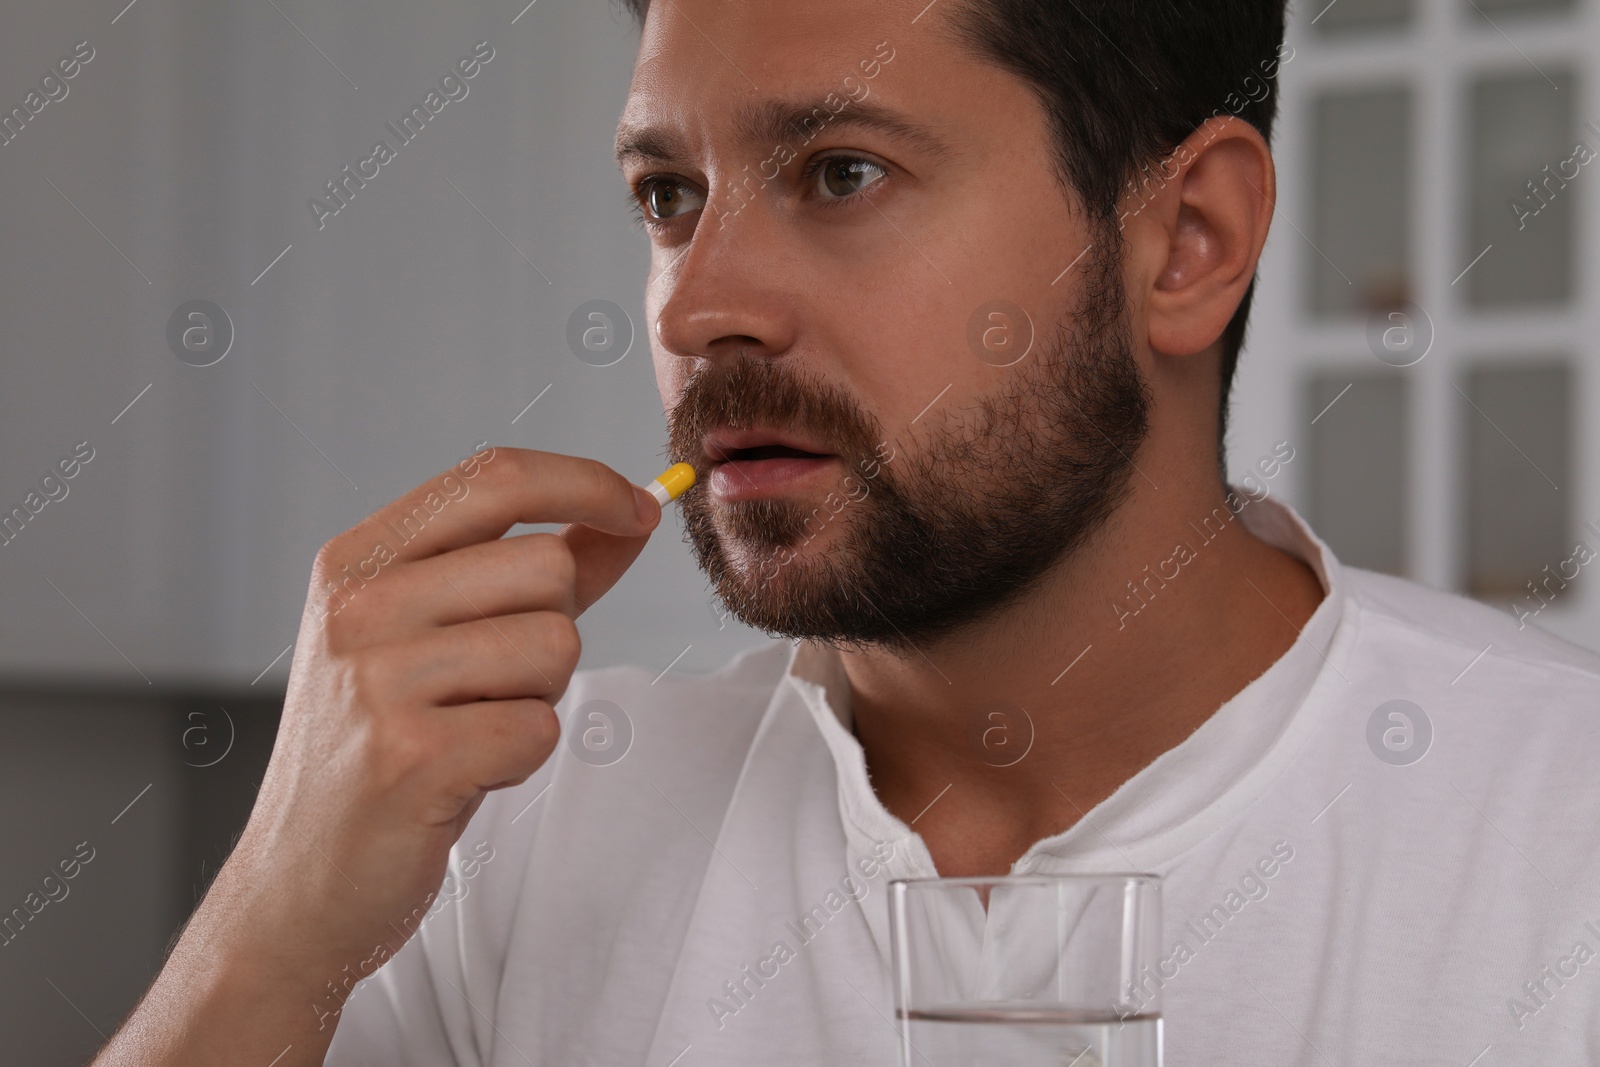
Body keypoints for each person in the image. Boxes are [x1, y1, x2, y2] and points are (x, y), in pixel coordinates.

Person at [93, 0, 1600, 1063]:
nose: (695, 306)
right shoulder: (507, 829)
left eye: (842, 173)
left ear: (1186, 239)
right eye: (670, 194)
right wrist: (270, 927)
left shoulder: (1557, 834)